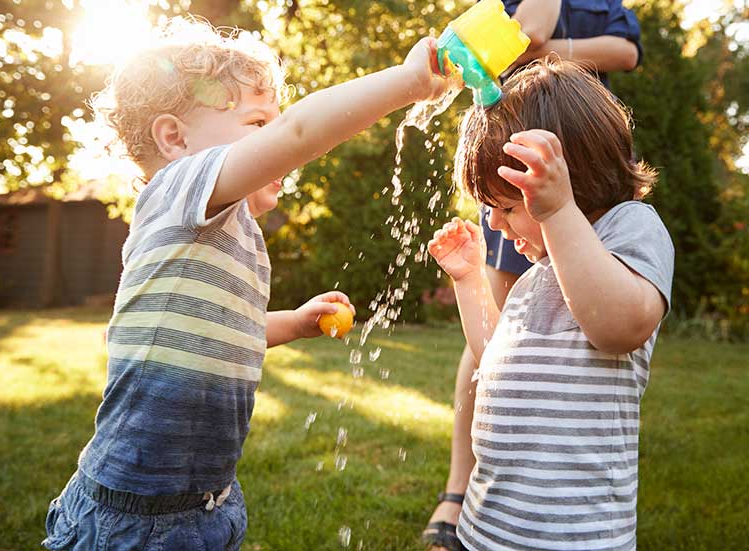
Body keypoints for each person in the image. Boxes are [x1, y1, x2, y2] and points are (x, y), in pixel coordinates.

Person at [42, 17, 453, 551]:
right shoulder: (178, 189)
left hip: (208, 502)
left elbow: (222, 331)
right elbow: (300, 134)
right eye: (259, 124)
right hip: (132, 512)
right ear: (175, 138)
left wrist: (294, 322)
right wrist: (409, 83)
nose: (276, 144)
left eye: (273, 125)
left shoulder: (237, 235)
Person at [427, 58, 673, 551]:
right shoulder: (535, 276)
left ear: (568, 182)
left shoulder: (631, 229)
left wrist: (558, 213)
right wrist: (470, 280)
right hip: (487, 529)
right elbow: (492, 359)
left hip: (573, 536)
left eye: (508, 207)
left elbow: (620, 327)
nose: (495, 224)